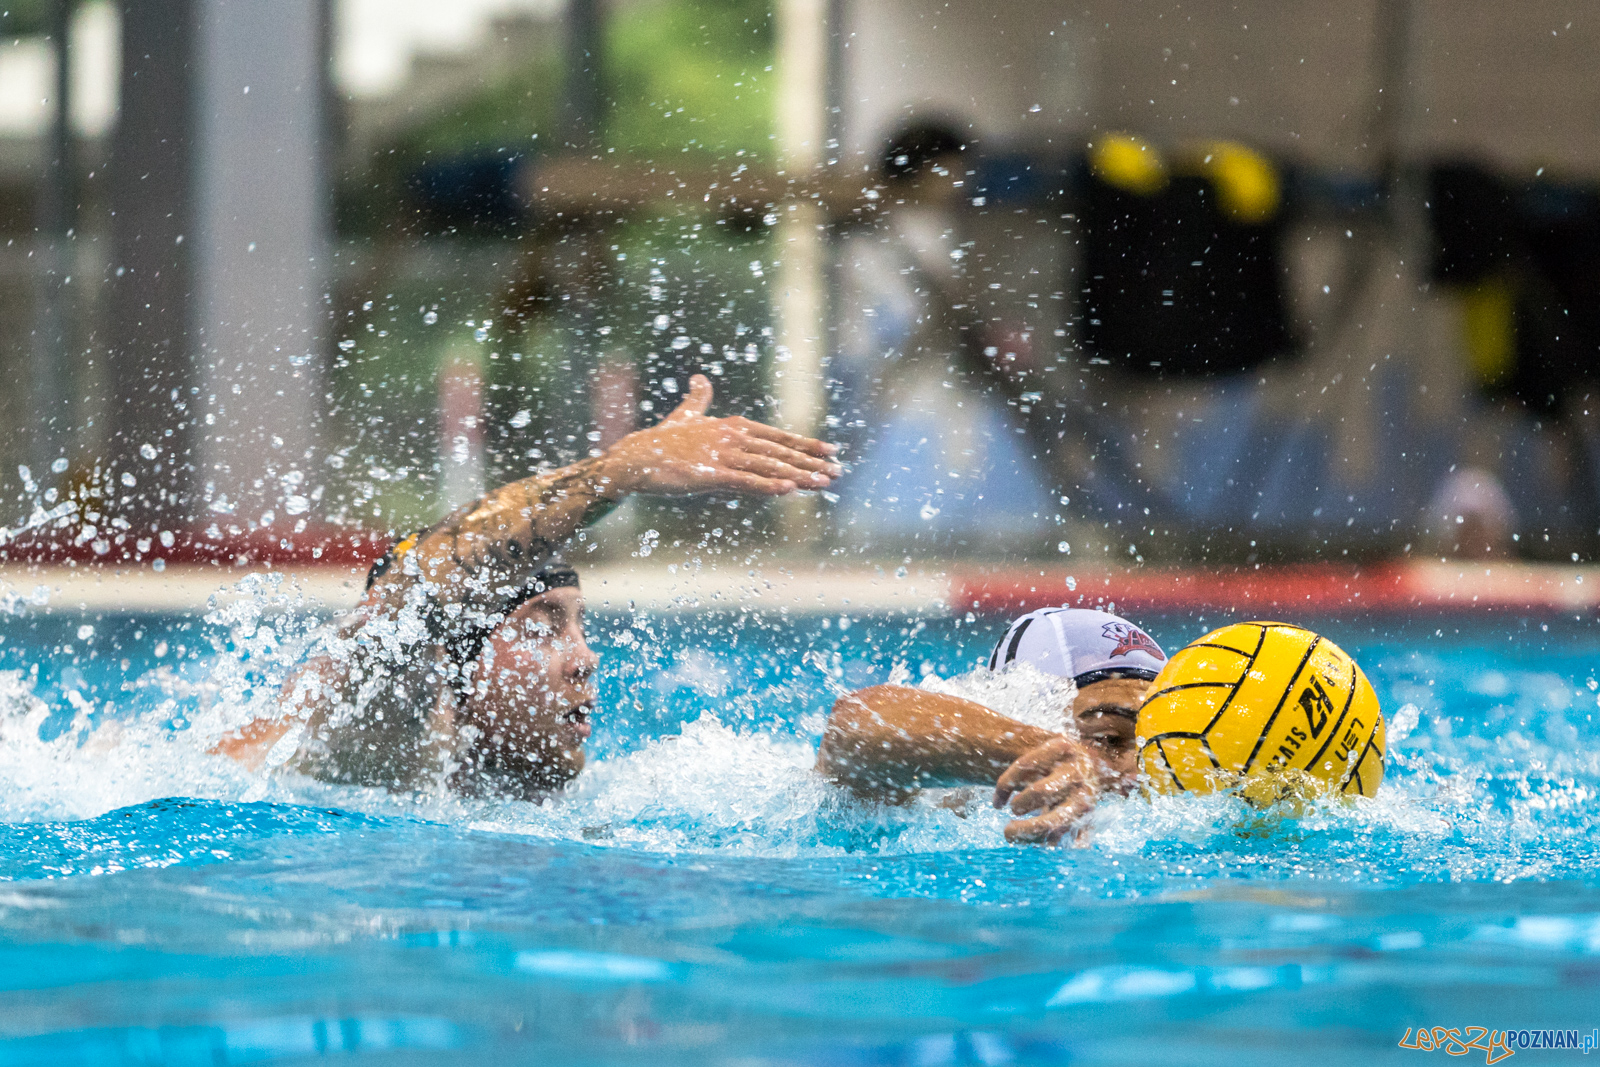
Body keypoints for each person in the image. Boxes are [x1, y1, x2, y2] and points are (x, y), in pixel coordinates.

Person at [214, 374, 840, 800]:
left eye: (578, 626)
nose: (586, 660)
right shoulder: (374, 733)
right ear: (449, 660)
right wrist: (611, 476)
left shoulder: (535, 787)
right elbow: (420, 588)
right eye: (543, 625)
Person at [815, 607, 1167, 845]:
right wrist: (1037, 753)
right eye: (1107, 737)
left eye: (1152, 741)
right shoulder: (914, 809)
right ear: (1022, 714)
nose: (1137, 772)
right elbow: (857, 722)